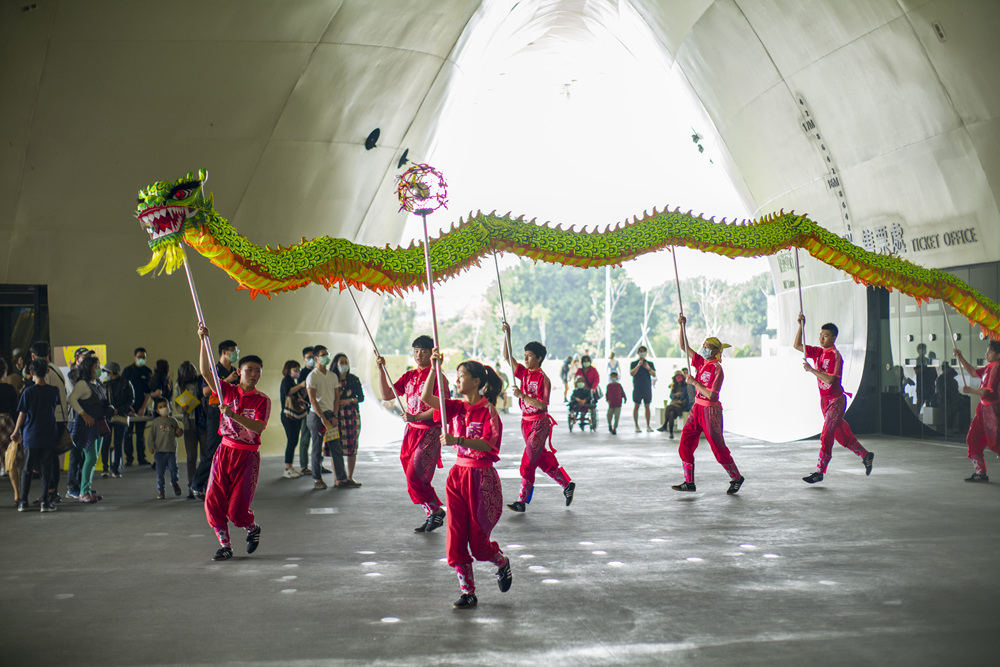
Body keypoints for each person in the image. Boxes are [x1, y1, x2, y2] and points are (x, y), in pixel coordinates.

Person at [421, 353, 512, 610]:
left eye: (461, 376)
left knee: (479, 544)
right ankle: (468, 592)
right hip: (457, 477)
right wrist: (434, 367)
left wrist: (458, 441)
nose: (457, 379)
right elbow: (427, 398)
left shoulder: (489, 411)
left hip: (481, 479)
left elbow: (490, 444)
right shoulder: (456, 408)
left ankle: (501, 563)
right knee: (456, 538)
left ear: (475, 381)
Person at [196, 324, 269, 561]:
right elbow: (206, 373)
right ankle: (225, 545)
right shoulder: (227, 390)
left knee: (237, 511)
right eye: (249, 370)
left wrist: (233, 415)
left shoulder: (262, 400)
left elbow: (258, 427)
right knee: (213, 501)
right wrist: (202, 341)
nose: (254, 374)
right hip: (224, 452)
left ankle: (252, 528)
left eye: (258, 371)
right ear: (239, 372)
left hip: (247, 456)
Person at [376, 334, 449, 533]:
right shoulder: (409, 376)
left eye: (423, 351)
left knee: (415, 477)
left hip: (429, 433)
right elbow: (387, 394)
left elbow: (442, 409)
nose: (418, 355)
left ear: (431, 353)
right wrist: (381, 370)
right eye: (416, 351)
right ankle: (432, 512)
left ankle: (435, 510)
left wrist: (416, 418)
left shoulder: (438, 378)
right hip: (410, 433)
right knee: (414, 477)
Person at [502, 323, 575, 513]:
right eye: (524, 355)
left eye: (529, 355)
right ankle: (567, 484)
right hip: (525, 423)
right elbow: (507, 357)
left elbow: (542, 405)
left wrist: (522, 396)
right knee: (540, 459)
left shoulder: (544, 379)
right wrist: (507, 335)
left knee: (527, 461)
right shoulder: (524, 373)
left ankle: (521, 501)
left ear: (539, 358)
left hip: (539, 424)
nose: (525, 358)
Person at [794, 316, 874, 484]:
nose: (821, 338)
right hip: (824, 401)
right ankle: (866, 455)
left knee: (826, 435)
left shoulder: (835, 356)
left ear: (833, 338)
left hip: (836, 401)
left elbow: (830, 380)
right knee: (842, 436)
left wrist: (810, 369)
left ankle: (819, 471)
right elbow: (797, 346)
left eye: (826, 335)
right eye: (821, 334)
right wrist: (801, 326)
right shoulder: (818, 352)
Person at [671, 316, 745, 494]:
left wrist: (694, 383)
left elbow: (712, 394)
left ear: (715, 351)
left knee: (717, 446)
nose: (703, 349)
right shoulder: (701, 362)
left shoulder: (717, 369)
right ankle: (689, 482)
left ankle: (736, 477)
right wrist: (682, 326)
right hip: (697, 408)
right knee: (685, 442)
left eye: (707, 347)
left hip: (710, 410)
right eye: (703, 346)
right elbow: (684, 347)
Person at [190, 339, 240, 499]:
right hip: (215, 412)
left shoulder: (235, 371)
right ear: (224, 352)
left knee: (231, 450)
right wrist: (227, 381)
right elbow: (206, 391)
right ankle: (197, 484)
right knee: (212, 449)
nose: (236, 353)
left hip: (232, 412)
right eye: (233, 350)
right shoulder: (214, 369)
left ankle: (223, 486)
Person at [12, 359, 60, 512]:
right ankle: (45, 503)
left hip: (30, 436)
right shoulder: (54, 391)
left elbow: (22, 415)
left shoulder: (28, 392)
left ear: (31, 373)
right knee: (45, 470)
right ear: (47, 371)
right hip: (49, 434)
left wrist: (15, 431)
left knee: (27, 469)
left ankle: (23, 502)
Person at [29, 341, 69, 504]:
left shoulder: (46, 373)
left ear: (32, 357)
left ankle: (51, 492)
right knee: (52, 456)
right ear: (49, 354)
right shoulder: (56, 369)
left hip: (52, 418)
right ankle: (53, 491)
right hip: (60, 417)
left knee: (47, 457)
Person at [954, 341, 1000, 482]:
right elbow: (973, 372)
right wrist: (960, 358)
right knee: (972, 438)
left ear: (998, 355)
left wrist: (970, 390)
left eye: (990, 352)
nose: (986, 354)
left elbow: (986, 391)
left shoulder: (996, 368)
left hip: (992, 410)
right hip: (982, 408)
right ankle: (980, 472)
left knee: (995, 443)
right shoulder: (989, 367)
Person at [305, 345, 347, 489]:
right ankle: (317, 479)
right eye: (323, 355)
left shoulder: (332, 376)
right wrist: (322, 417)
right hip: (317, 416)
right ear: (316, 358)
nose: (326, 357)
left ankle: (341, 478)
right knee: (317, 448)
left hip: (330, 415)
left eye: (327, 354)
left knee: (336, 448)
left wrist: (335, 415)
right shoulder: (312, 376)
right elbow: (312, 400)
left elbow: (337, 397)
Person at [67, 356, 108, 503]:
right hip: (87, 425)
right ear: (89, 367)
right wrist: (83, 414)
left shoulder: (96, 383)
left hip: (99, 424)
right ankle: (83, 492)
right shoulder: (83, 384)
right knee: (90, 458)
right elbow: (71, 399)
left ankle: (87, 490)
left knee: (94, 458)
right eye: (96, 366)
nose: (99, 368)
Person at [331, 353, 364, 487]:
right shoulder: (332, 380)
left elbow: (361, 398)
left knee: (352, 447)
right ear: (335, 364)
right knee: (336, 448)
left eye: (346, 362)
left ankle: (349, 477)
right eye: (341, 362)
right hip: (336, 417)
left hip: (352, 417)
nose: (344, 365)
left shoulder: (354, 380)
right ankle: (338, 478)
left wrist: (349, 400)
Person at [175, 360, 206, 496]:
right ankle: (191, 486)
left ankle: (204, 485)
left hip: (203, 423)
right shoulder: (179, 386)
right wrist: (181, 408)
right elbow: (176, 404)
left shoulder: (201, 381)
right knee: (191, 456)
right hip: (189, 424)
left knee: (205, 456)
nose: (191, 375)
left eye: (192, 372)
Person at [121, 347, 152, 466]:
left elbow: (148, 392)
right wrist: (129, 408)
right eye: (139, 357)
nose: (141, 359)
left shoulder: (147, 371)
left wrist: (143, 407)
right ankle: (129, 459)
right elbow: (123, 391)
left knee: (140, 435)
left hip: (141, 409)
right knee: (128, 434)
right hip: (129, 409)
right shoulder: (128, 371)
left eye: (143, 357)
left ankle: (141, 458)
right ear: (134, 357)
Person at [102, 362, 132, 479]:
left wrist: (118, 410)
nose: (104, 374)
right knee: (106, 442)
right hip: (108, 417)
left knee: (118, 442)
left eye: (106, 372)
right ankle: (105, 468)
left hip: (121, 416)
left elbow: (131, 400)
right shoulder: (104, 385)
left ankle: (115, 468)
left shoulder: (126, 383)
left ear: (111, 372)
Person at [148, 397, 183, 499]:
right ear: (157, 410)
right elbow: (151, 436)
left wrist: (179, 432)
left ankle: (174, 482)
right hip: (160, 452)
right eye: (161, 407)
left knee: (173, 468)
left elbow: (177, 433)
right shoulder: (155, 422)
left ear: (169, 407)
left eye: (165, 406)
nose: (164, 408)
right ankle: (161, 490)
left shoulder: (173, 421)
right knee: (160, 472)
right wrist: (151, 446)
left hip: (171, 451)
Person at [279, 360, 308, 479]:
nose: (298, 372)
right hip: (288, 415)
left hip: (295, 416)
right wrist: (300, 385)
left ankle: (290, 467)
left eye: (298, 369)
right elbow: (287, 392)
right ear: (288, 370)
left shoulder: (292, 381)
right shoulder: (286, 381)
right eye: (295, 370)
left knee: (294, 440)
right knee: (291, 440)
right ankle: (287, 468)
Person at [1, 358, 22, 505]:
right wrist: (17, 430)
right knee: (10, 461)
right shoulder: (9, 389)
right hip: (6, 423)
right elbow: (16, 410)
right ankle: (17, 494)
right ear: (5, 372)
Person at [296, 346, 316, 474]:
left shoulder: (318, 372)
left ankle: (317, 465)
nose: (311, 360)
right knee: (305, 439)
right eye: (308, 358)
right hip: (306, 410)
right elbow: (297, 391)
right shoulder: (301, 374)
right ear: (304, 359)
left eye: (313, 357)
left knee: (318, 440)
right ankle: (304, 466)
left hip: (319, 409)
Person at [630, 346, 657, 432]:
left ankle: (648, 425)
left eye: (644, 351)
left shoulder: (650, 363)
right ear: (638, 353)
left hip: (647, 388)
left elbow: (653, 374)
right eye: (640, 351)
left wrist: (647, 367)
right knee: (636, 405)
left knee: (647, 406)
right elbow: (632, 373)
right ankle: (636, 425)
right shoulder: (634, 363)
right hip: (637, 388)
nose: (642, 353)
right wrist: (638, 365)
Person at [657, 371, 691, 438]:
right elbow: (671, 396)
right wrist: (676, 394)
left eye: (680, 377)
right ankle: (671, 433)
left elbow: (683, 396)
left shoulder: (686, 386)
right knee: (671, 414)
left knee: (669, 407)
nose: (678, 378)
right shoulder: (674, 386)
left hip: (681, 405)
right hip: (674, 404)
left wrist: (676, 395)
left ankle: (664, 425)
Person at [574, 354, 600, 427]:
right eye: (584, 361)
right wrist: (577, 387)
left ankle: (589, 417)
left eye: (587, 361)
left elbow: (596, 379)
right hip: (581, 391)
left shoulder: (593, 370)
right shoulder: (579, 370)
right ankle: (582, 417)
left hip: (590, 390)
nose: (586, 362)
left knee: (591, 402)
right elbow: (576, 379)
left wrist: (593, 388)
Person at [605, 371, 626, 435]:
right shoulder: (609, 386)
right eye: (612, 377)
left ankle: (614, 428)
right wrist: (607, 400)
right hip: (611, 404)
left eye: (614, 377)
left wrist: (625, 398)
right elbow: (607, 394)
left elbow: (622, 393)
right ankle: (610, 425)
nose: (613, 378)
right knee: (609, 416)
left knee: (617, 417)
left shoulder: (619, 386)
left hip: (618, 404)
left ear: (617, 377)